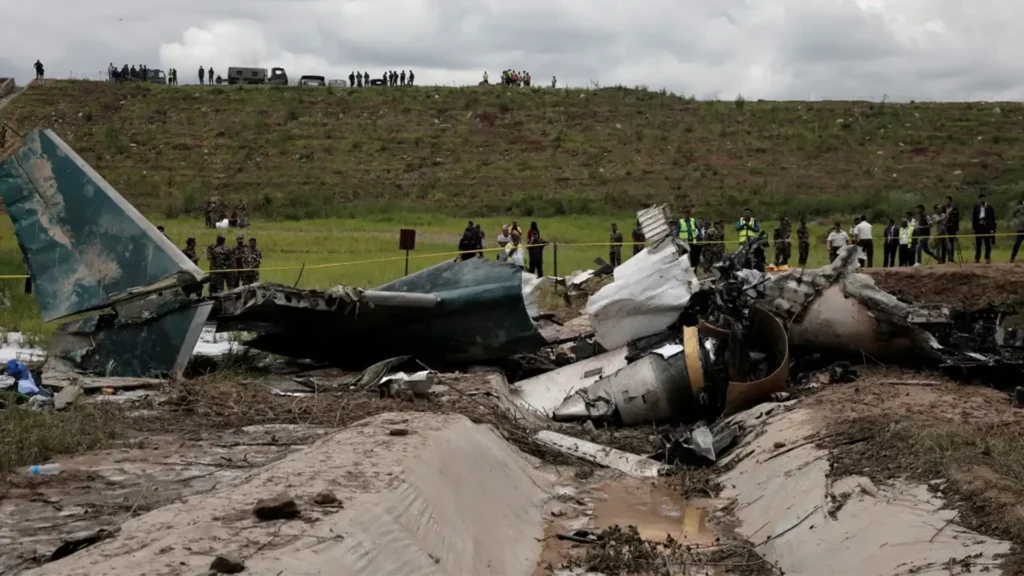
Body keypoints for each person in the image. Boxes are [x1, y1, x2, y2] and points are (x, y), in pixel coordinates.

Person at [973, 193, 996, 264]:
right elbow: (974, 218)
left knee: (987, 244)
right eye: (981, 198)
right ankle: (977, 258)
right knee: (978, 244)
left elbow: (993, 219)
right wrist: (974, 228)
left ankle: (987, 258)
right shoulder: (976, 208)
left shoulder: (990, 208)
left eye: (984, 198)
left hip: (987, 227)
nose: (982, 200)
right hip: (979, 226)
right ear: (979, 199)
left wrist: (992, 229)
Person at [943, 195, 960, 264]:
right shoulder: (943, 208)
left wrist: (957, 229)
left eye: (948, 201)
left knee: (951, 243)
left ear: (951, 201)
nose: (946, 202)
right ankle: (942, 259)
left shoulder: (954, 209)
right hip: (944, 227)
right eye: (946, 201)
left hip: (952, 227)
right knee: (943, 243)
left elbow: (957, 220)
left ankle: (951, 258)